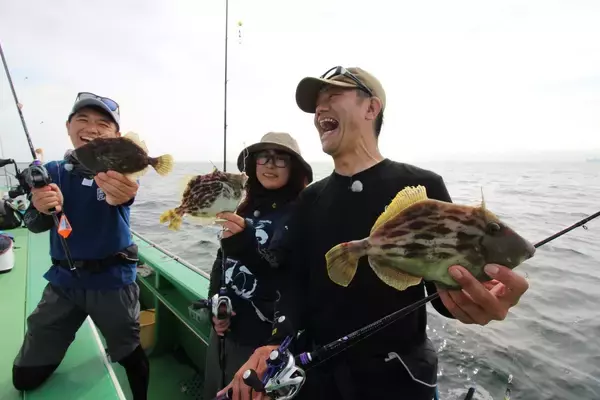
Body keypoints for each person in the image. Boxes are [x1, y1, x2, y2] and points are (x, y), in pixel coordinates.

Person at [218, 67, 530, 400]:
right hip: (319, 374)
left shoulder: (422, 185)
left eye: (332, 95)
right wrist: (274, 343)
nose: (320, 108)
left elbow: (440, 285)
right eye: (316, 104)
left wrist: (470, 299)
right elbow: (293, 281)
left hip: (398, 377)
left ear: (371, 108)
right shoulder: (310, 199)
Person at [12, 92, 150, 399]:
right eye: (83, 119)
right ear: (68, 126)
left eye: (104, 123)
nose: (92, 128)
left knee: (131, 356)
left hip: (113, 282)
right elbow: (33, 224)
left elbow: (124, 194)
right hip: (64, 282)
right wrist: (41, 206)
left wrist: (122, 193)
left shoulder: (121, 171)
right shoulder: (51, 171)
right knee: (24, 377)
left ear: (116, 135)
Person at [203, 132, 313, 399]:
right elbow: (221, 262)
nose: (270, 164)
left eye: (281, 158)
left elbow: (290, 280)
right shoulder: (241, 208)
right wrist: (215, 305)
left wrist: (245, 246)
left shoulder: (301, 215)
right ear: (254, 164)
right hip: (226, 335)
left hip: (263, 343)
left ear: (294, 168)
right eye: (264, 156)